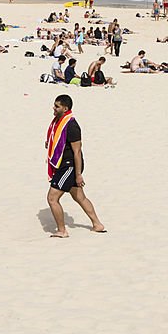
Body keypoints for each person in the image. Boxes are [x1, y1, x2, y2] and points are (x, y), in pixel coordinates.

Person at [45, 94, 105, 237]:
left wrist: (78, 174)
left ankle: (62, 230)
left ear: (65, 108)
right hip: (64, 164)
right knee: (79, 197)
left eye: (57, 106)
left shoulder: (72, 126)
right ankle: (97, 224)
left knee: (52, 198)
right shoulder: (58, 122)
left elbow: (77, 152)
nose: (54, 108)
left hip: (69, 166)